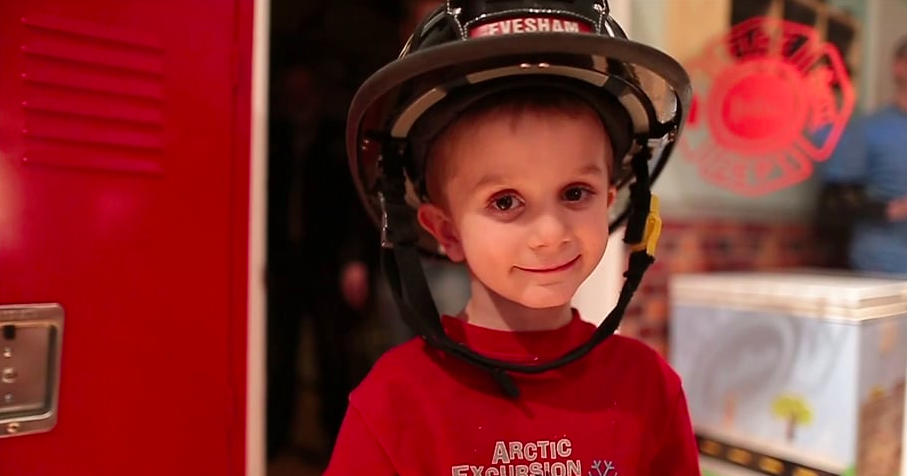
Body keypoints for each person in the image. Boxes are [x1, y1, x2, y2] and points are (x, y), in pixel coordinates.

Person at [324, 1, 700, 474]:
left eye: (574, 192)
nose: (549, 234)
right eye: (505, 201)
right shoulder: (395, 399)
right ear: (447, 231)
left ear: (609, 199)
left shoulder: (649, 389)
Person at [818, 35, 907, 274]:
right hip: (882, 268)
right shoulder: (867, 129)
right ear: (899, 66)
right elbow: (834, 202)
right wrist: (896, 209)